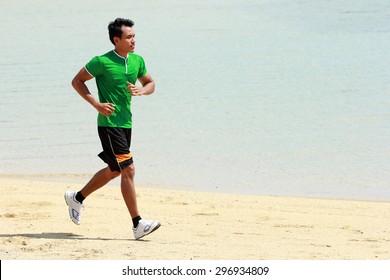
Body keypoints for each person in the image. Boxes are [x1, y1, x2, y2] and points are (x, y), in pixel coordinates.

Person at [65, 18, 160, 240]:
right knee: (128, 169)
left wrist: (141, 91)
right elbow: (77, 81)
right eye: (129, 37)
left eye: (134, 36)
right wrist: (96, 104)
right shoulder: (102, 62)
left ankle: (77, 198)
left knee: (115, 169)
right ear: (116, 40)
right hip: (109, 124)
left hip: (126, 123)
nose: (133, 40)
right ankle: (138, 224)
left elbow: (151, 83)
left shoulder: (137, 61)